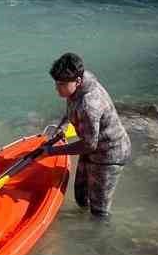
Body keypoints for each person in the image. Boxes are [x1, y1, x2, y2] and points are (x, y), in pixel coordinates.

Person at [46, 52, 132, 219]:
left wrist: (52, 151)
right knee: (80, 196)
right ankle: (81, 219)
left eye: (62, 84)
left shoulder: (89, 104)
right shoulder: (78, 83)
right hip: (92, 146)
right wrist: (62, 126)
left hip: (109, 154)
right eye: (56, 83)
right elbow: (71, 107)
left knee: (99, 211)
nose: (57, 88)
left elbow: (88, 145)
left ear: (78, 81)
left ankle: (99, 239)